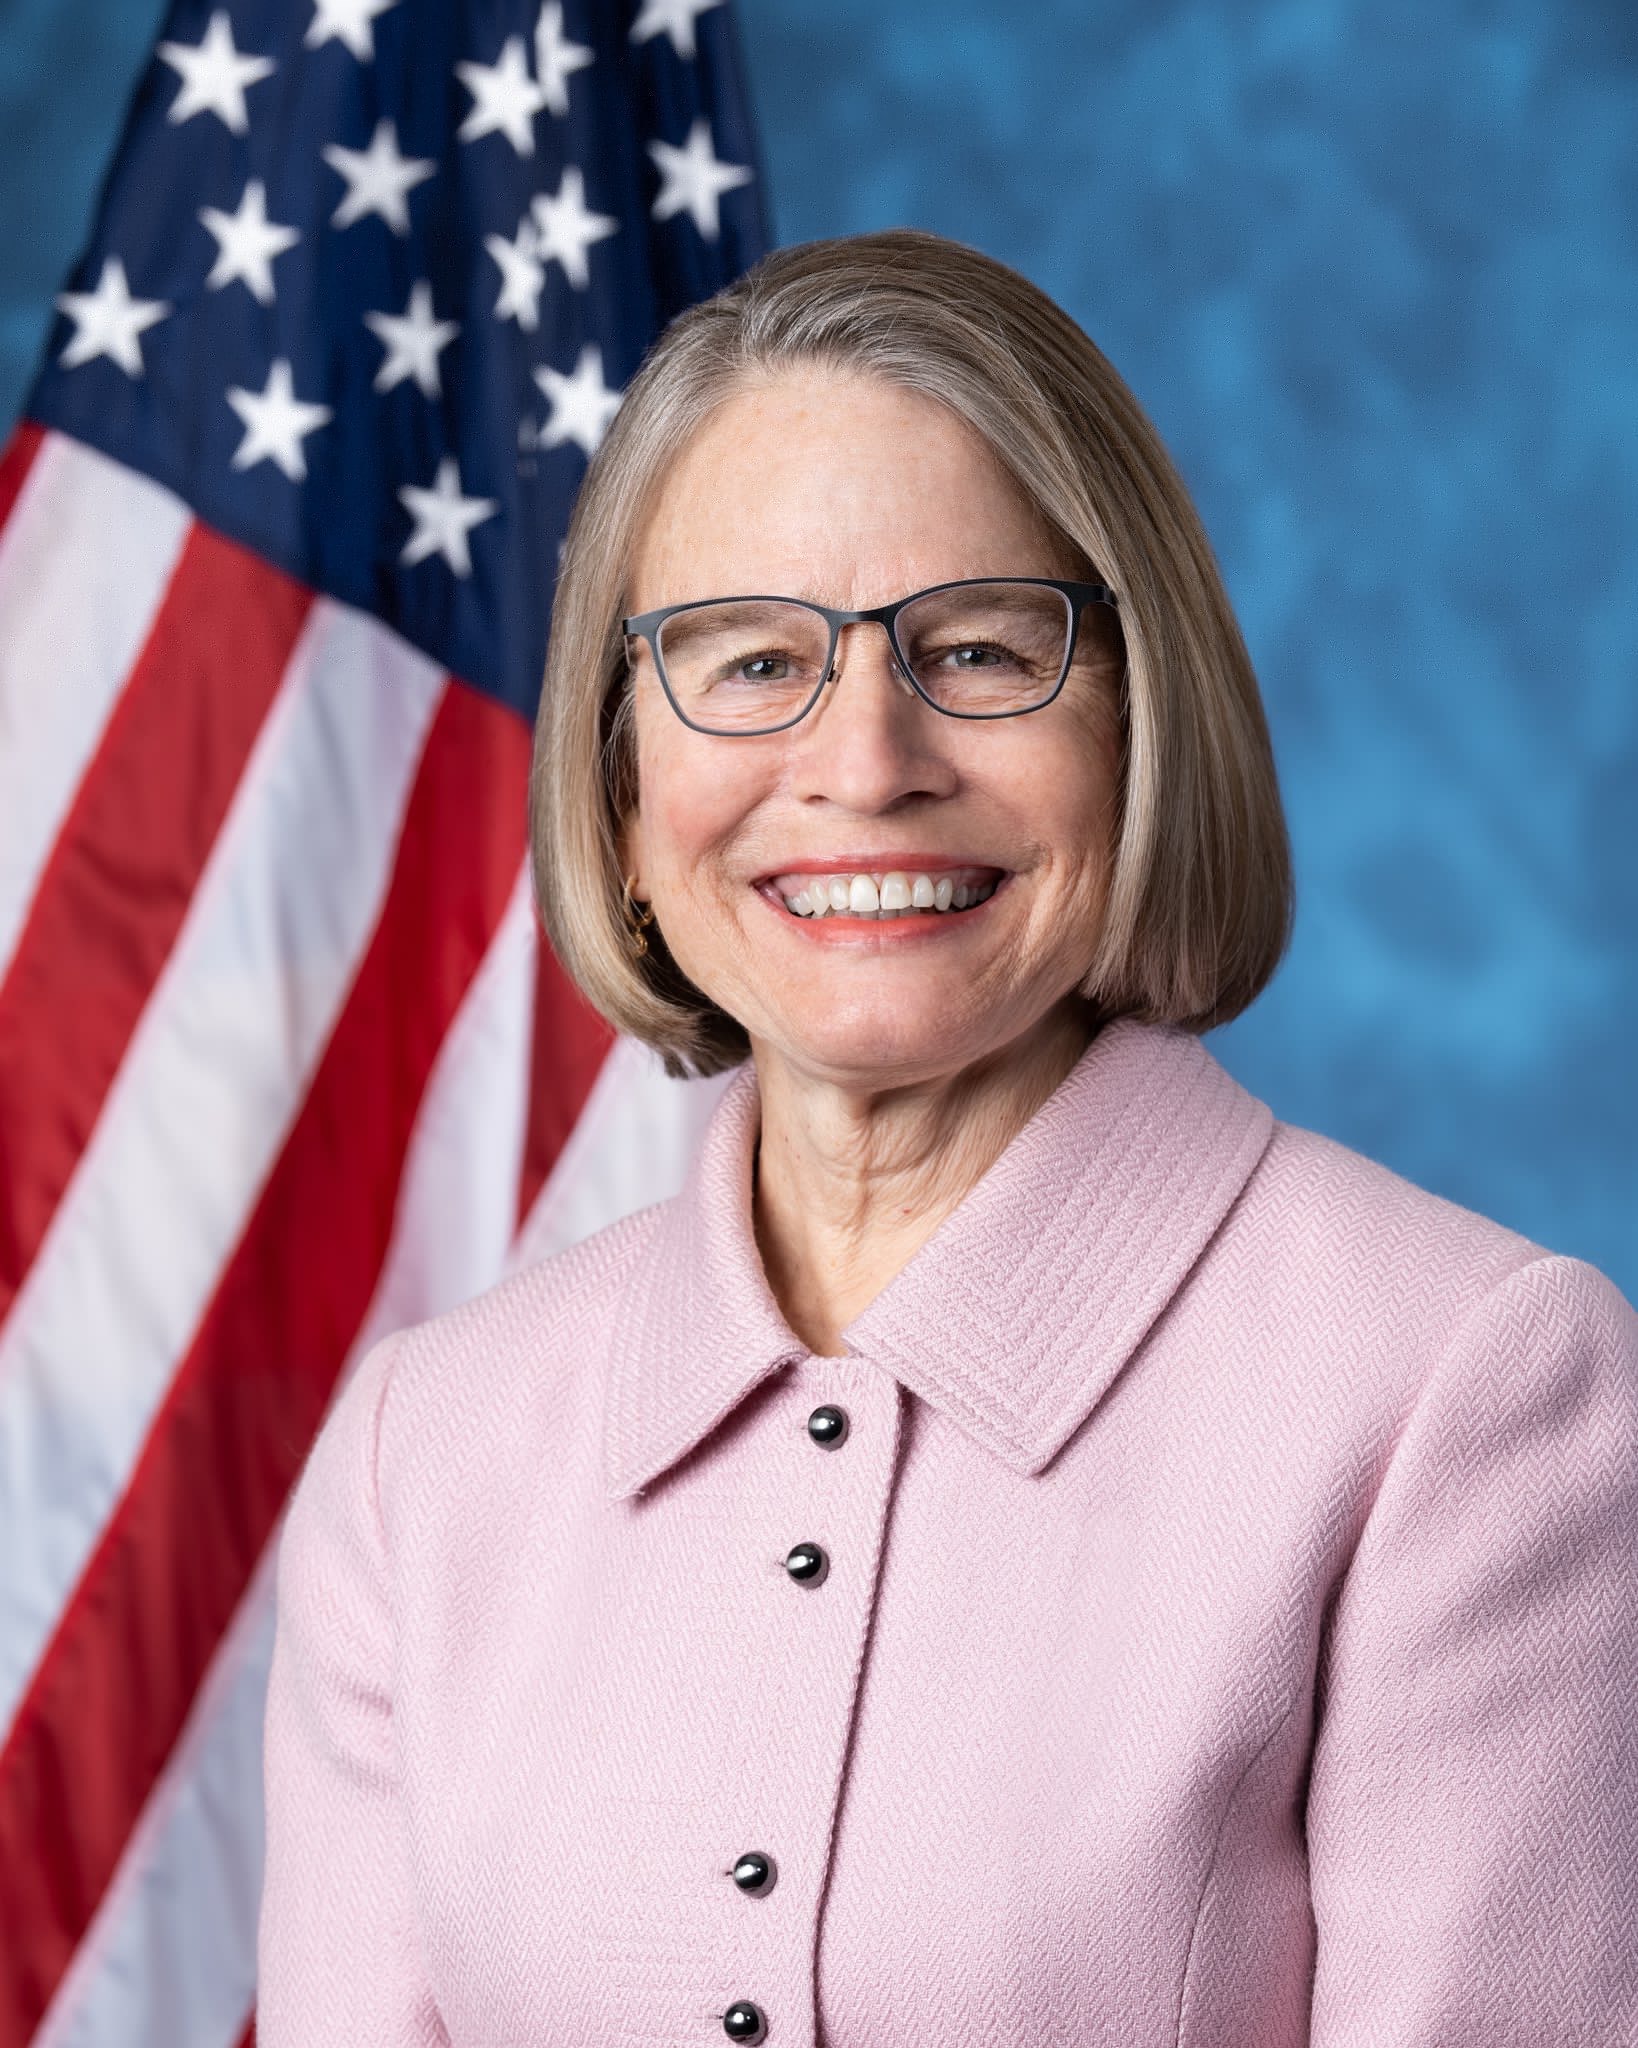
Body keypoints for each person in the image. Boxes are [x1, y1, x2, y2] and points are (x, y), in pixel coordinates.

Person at [257, 229, 1638, 2046]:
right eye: (747, 663)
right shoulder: (418, 1459)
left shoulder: (1463, 1392)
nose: (861, 761)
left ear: (1142, 724)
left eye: (979, 649)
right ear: (619, 774)